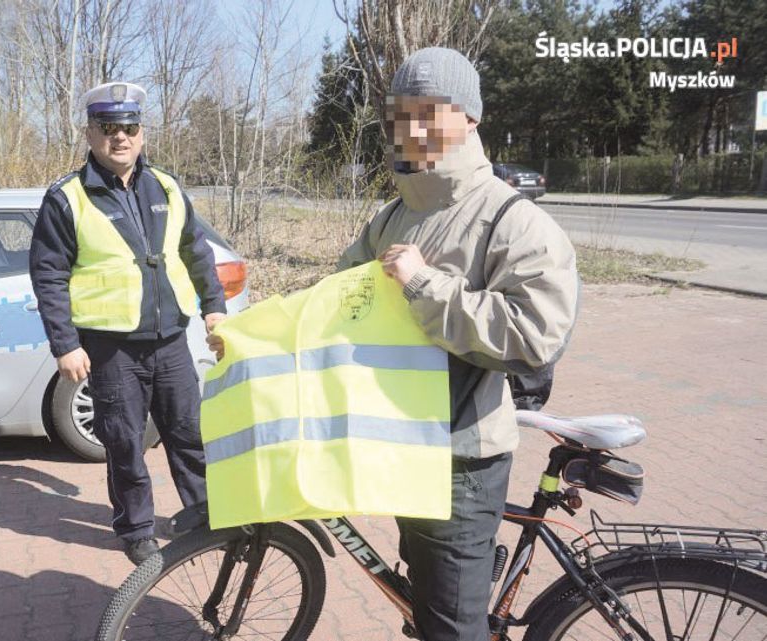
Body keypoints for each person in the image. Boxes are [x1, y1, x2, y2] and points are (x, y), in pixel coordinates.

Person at [208, 47, 580, 641]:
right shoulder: (393, 216)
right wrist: (251, 337)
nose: (410, 129)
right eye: (397, 116)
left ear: (470, 118)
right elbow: (331, 303)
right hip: (405, 447)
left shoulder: (511, 220)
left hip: (461, 458)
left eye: (428, 111)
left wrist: (425, 284)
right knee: (427, 609)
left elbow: (536, 335)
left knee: (450, 629)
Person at [29, 81, 227, 565]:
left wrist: (214, 307)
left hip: (170, 339)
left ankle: (205, 514)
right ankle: (136, 529)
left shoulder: (166, 186)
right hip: (110, 348)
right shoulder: (67, 198)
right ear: (91, 133)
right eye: (109, 127)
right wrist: (65, 344)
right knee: (124, 444)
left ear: (142, 133)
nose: (120, 137)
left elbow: (195, 251)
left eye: (130, 127)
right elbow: (48, 274)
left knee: (188, 432)